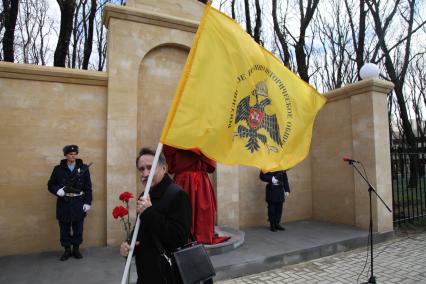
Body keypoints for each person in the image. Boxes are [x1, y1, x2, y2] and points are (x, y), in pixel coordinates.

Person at [120, 147, 192, 284]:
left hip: (167, 275)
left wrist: (149, 212)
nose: (145, 173)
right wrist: (130, 244)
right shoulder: (144, 195)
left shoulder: (177, 195)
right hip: (146, 273)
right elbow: (141, 229)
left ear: (164, 168)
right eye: (141, 169)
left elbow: (179, 237)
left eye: (150, 167)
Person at [164, 145, 230, 245]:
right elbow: (210, 163)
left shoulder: (175, 138)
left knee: (185, 208)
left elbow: (170, 165)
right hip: (196, 180)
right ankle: (196, 234)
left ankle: (189, 235)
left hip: (187, 180)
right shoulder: (203, 137)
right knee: (184, 208)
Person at [47, 145, 92, 261]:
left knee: (78, 228)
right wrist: (58, 191)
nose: (73, 156)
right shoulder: (58, 169)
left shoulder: (83, 169)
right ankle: (67, 250)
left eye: (75, 154)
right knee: (64, 228)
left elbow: (88, 188)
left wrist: (87, 202)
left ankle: (76, 249)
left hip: (78, 202)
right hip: (64, 202)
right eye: (70, 154)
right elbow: (50, 184)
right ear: (66, 155)